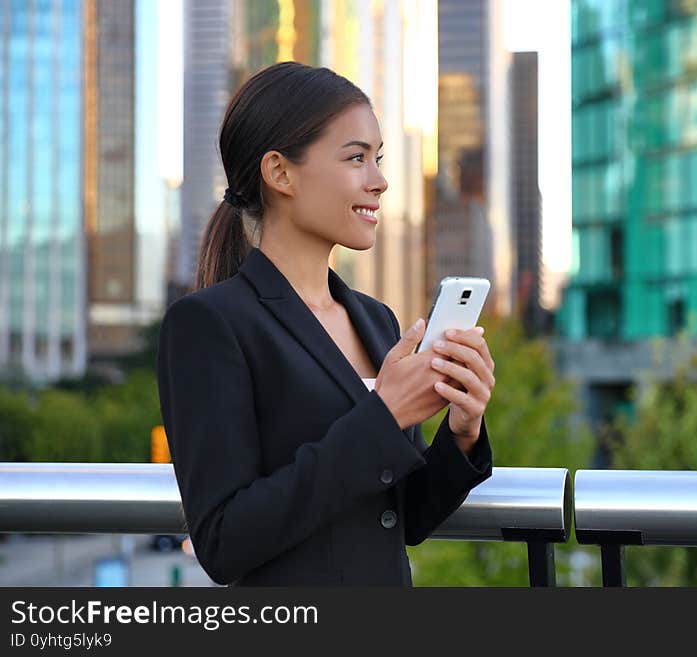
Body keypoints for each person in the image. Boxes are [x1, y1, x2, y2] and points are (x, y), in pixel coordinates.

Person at [156, 62, 495, 586]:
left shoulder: (377, 320)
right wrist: (384, 416)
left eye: (377, 159)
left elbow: (403, 517)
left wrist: (462, 433)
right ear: (280, 172)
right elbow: (223, 542)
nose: (379, 181)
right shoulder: (207, 324)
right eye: (356, 157)